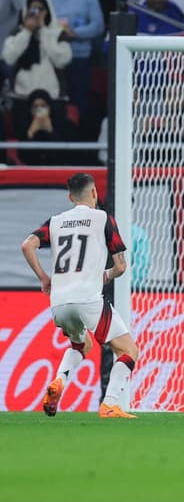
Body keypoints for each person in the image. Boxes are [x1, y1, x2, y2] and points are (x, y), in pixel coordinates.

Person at [20, 172, 140, 419]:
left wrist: (44, 278)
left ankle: (59, 381)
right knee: (129, 350)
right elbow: (120, 267)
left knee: (81, 344)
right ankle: (110, 404)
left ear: (70, 197)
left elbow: (27, 244)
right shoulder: (103, 218)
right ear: (94, 193)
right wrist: (104, 275)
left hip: (59, 302)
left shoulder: (56, 221)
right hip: (88, 298)